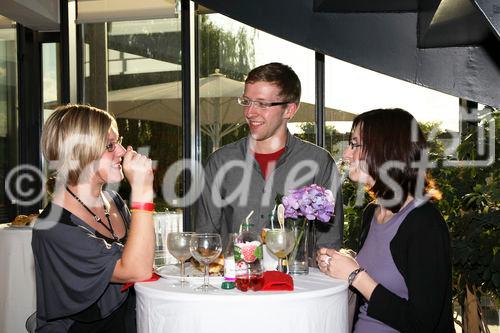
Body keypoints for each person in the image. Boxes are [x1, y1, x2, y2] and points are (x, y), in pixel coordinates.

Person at [317, 108, 454, 332]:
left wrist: (354, 275)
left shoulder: (424, 223)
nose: (346, 154)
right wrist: (340, 265)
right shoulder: (372, 213)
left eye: (355, 144)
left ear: (387, 150)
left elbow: (423, 323)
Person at [32, 104, 155, 332]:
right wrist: (142, 192)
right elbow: (135, 270)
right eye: (109, 145)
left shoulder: (114, 200)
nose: (121, 151)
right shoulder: (55, 227)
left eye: (118, 141)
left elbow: (143, 259)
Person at [196, 62, 343, 250]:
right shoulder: (219, 162)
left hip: (298, 279)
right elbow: (205, 239)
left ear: (289, 110)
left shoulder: (320, 163)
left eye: (262, 104)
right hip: (236, 278)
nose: (250, 112)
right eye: (246, 101)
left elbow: (329, 245)